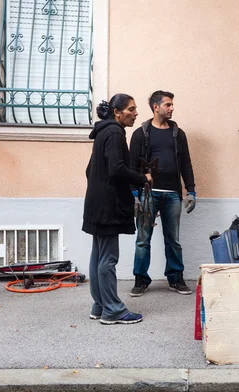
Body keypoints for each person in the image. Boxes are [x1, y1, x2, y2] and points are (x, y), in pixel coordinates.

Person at [82, 94, 152, 325]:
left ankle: (99, 305)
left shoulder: (103, 132)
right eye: (131, 109)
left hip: (96, 202)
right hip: (109, 204)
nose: (135, 113)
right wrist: (143, 178)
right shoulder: (115, 133)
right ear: (117, 112)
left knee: (98, 255)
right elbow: (117, 168)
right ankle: (112, 310)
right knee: (108, 259)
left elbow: (89, 169)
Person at [129, 90, 196, 297]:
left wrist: (191, 191)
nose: (172, 108)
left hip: (172, 195)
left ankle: (175, 278)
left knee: (173, 239)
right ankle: (141, 279)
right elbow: (132, 166)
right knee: (143, 238)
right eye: (168, 104)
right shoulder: (141, 134)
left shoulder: (178, 134)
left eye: (172, 104)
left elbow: (186, 164)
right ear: (156, 107)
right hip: (148, 194)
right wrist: (134, 195)